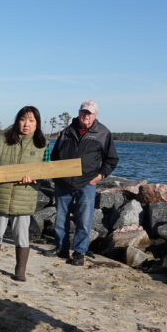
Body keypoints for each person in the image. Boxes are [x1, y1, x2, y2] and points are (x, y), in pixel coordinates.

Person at [46, 99, 119, 266]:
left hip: (87, 183)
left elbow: (112, 159)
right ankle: (61, 247)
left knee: (84, 219)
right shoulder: (66, 131)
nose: (85, 115)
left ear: (95, 115)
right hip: (63, 182)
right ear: (79, 112)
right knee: (60, 218)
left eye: (89, 113)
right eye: (83, 112)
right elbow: (55, 156)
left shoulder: (103, 133)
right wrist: (57, 175)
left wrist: (100, 176)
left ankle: (79, 252)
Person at [0, 105, 50, 281]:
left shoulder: (43, 145)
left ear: (37, 124)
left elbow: (47, 170)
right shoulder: (3, 139)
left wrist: (36, 179)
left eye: (31, 120)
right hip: (1, 194)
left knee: (21, 236)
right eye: (23, 119)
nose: (26, 124)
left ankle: (20, 271)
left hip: (25, 196)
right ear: (17, 121)